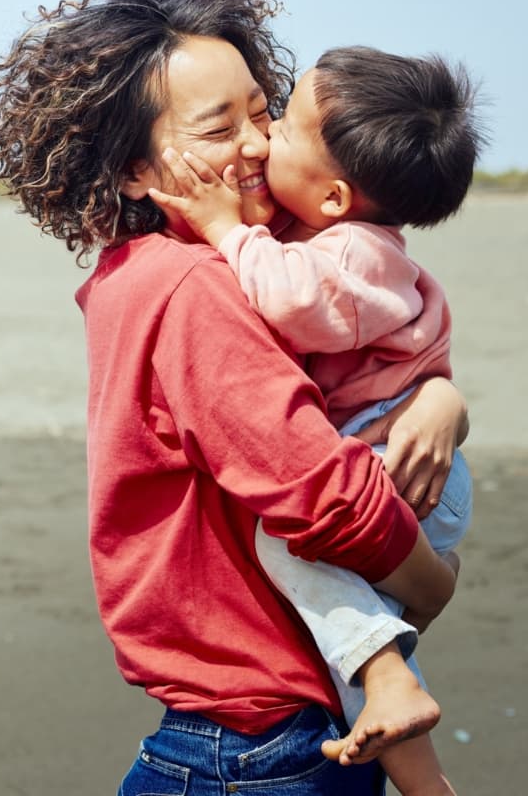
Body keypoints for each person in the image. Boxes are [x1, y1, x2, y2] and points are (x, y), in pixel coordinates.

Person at [0, 0, 468, 794]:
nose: (260, 143)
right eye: (217, 127)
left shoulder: (145, 274)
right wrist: (430, 584)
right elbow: (320, 494)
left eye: (264, 113)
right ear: (134, 168)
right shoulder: (196, 287)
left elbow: (373, 334)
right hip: (255, 747)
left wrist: (441, 394)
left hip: (247, 733)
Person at [148, 45, 484, 794]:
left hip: (400, 471)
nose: (264, 142)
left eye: (282, 128)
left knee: (292, 550)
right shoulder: (330, 230)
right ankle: (425, 775)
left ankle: (395, 681)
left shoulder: (357, 252)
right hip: (395, 457)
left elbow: (292, 301)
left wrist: (225, 227)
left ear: (334, 197)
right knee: (345, 642)